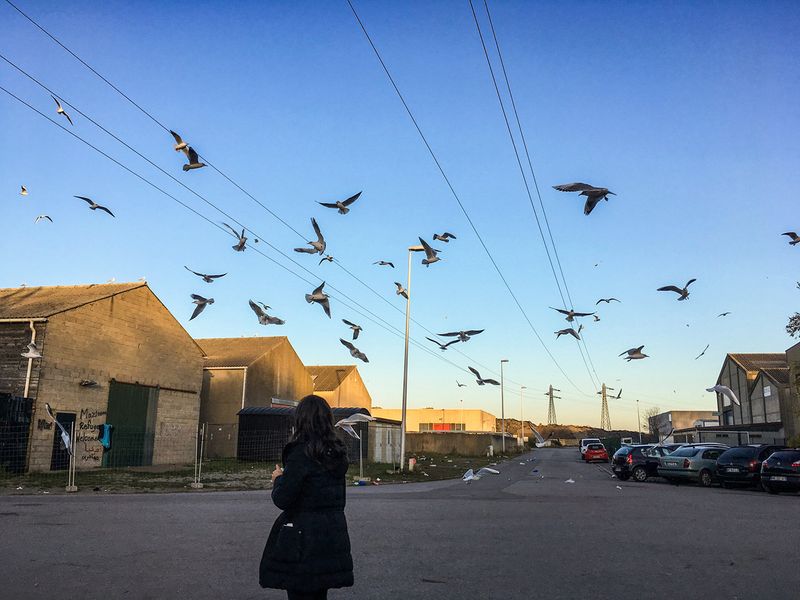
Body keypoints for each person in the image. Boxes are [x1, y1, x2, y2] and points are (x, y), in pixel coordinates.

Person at [260, 395, 354, 599]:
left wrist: (278, 479)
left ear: (301, 420)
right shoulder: (336, 454)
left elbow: (283, 499)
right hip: (330, 536)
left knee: (300, 594)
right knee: (319, 594)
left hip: (303, 542)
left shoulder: (301, 454)